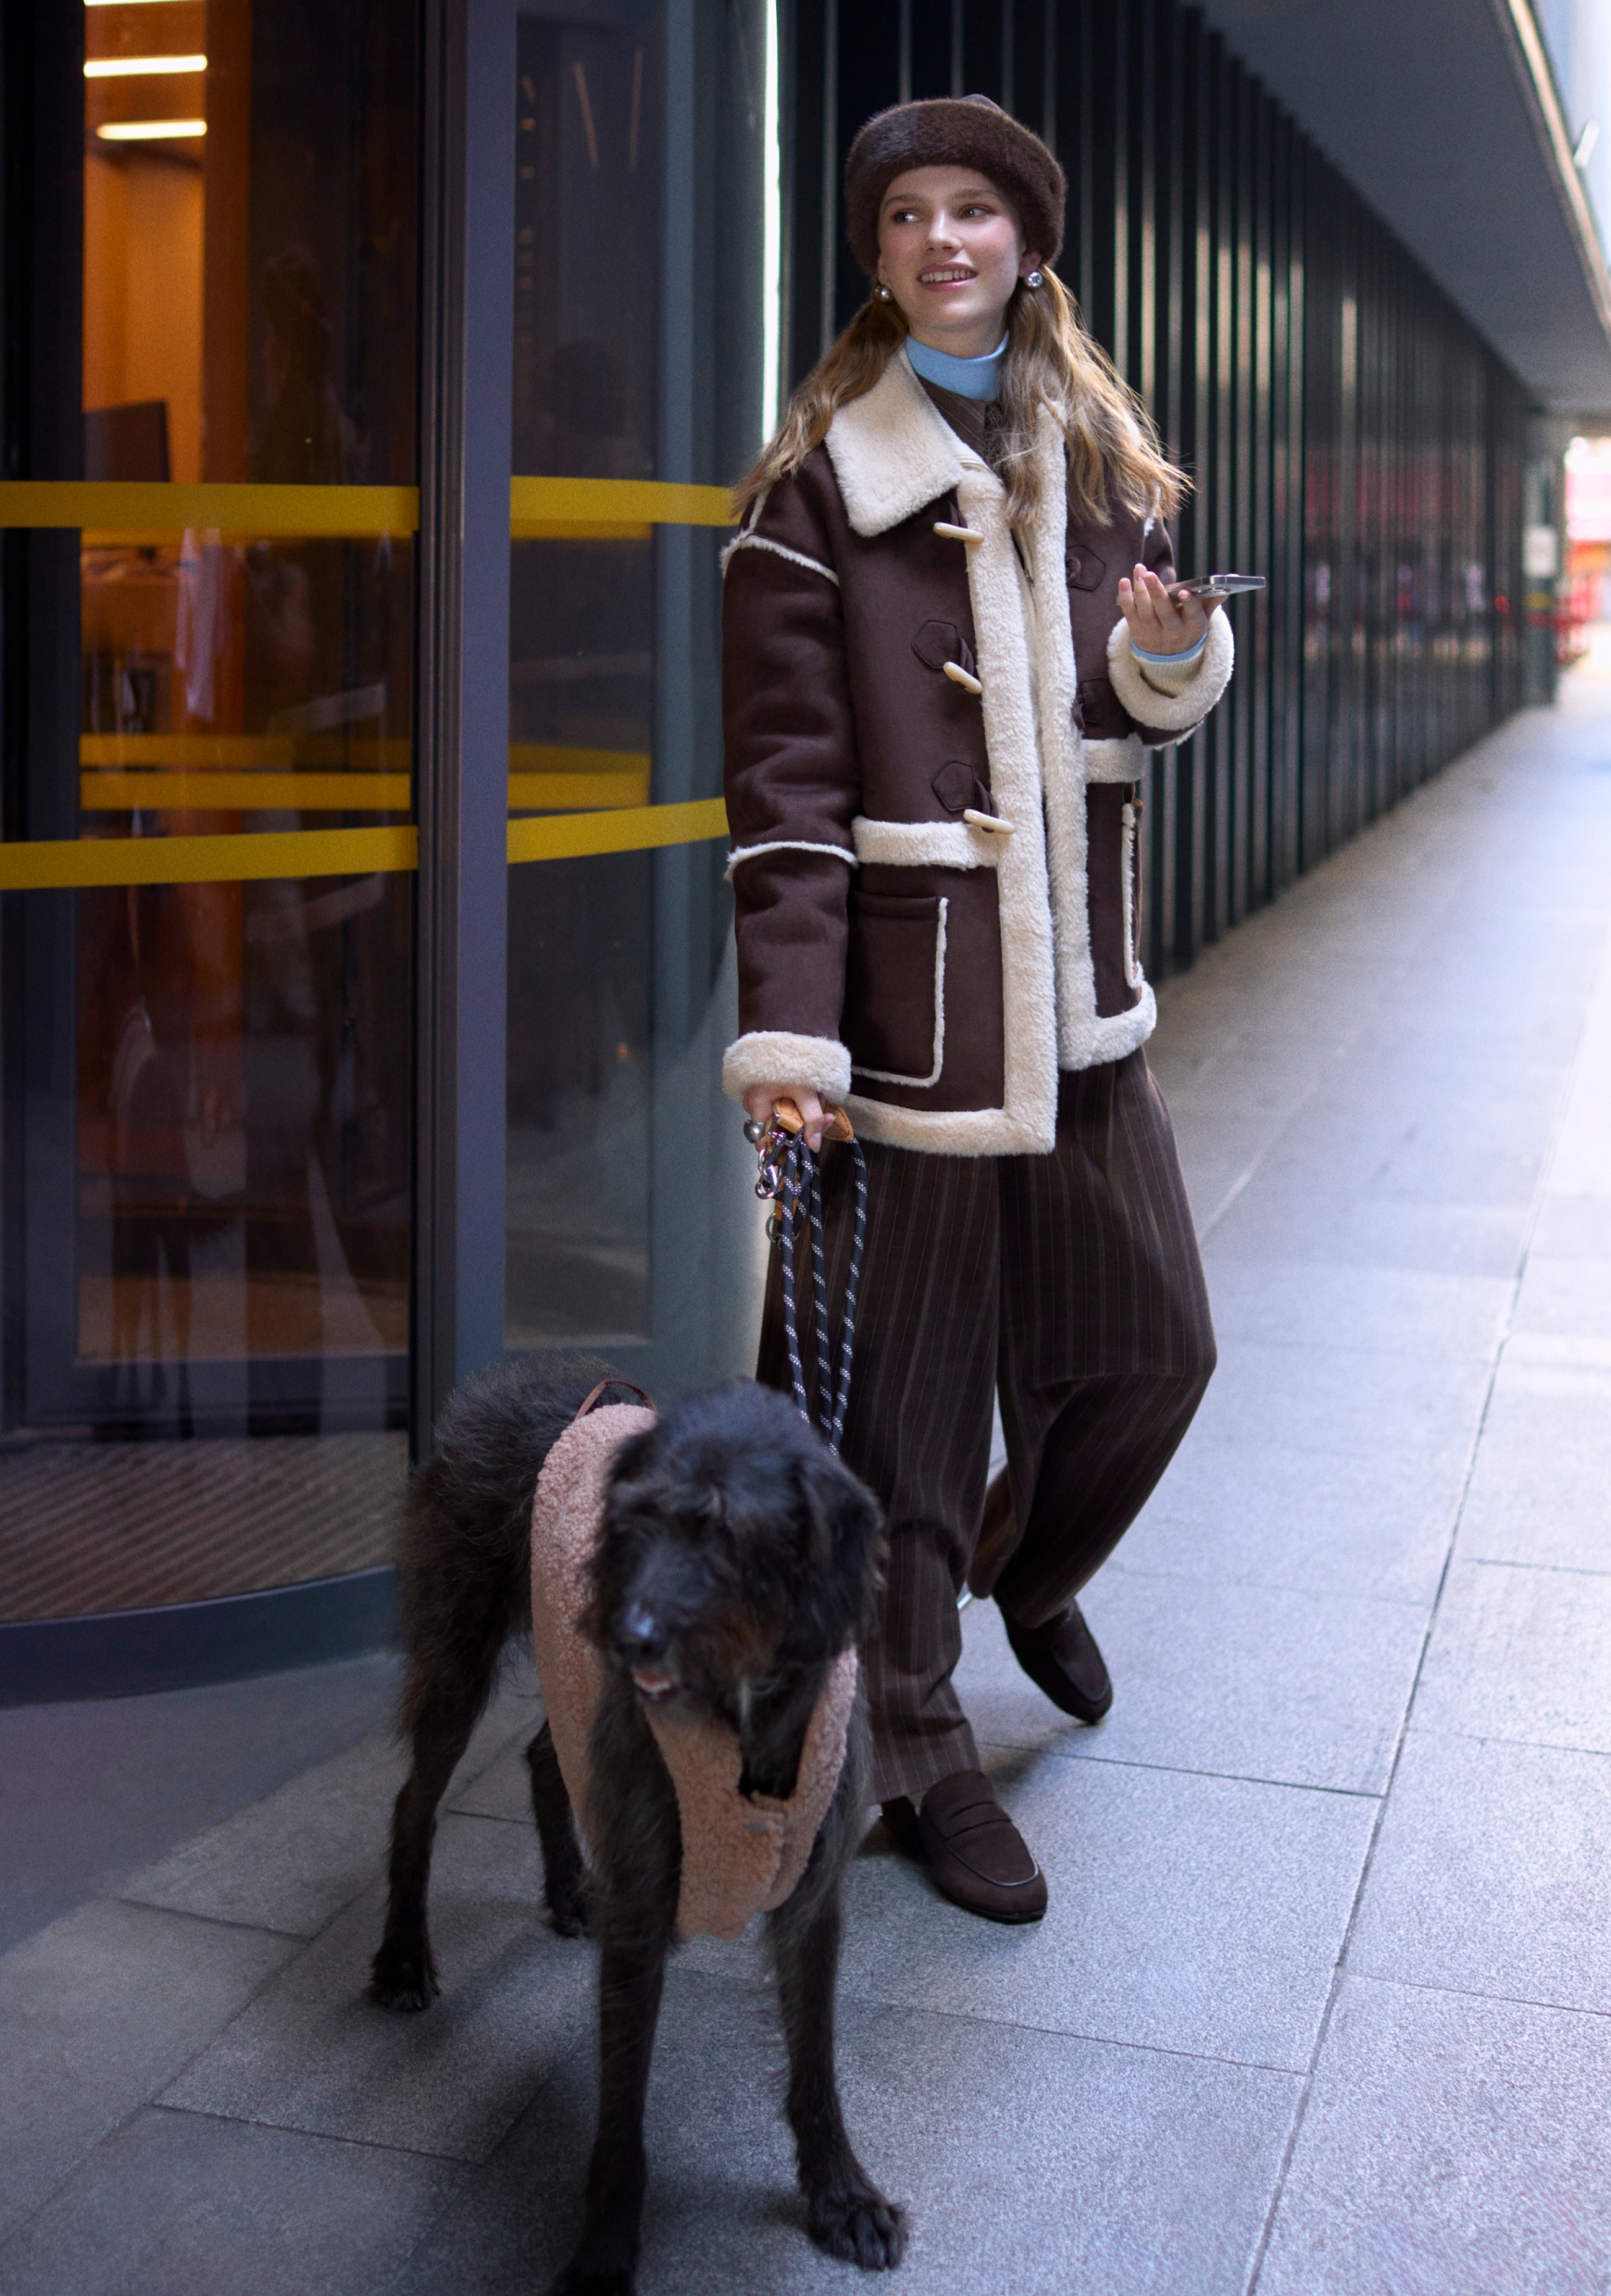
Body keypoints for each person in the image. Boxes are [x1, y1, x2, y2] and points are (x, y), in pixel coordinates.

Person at [720, 96, 1227, 1922]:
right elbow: (782, 807)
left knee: (1163, 1345)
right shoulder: (809, 504)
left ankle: (1032, 1566)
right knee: (907, 1436)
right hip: (908, 1038)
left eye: (977, 212)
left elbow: (1131, 704)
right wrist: (791, 1040)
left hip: (1082, 1007)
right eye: (911, 216)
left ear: (1029, 241)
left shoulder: (1094, 462)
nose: (946, 239)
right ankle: (922, 1752)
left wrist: (1169, 657)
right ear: (879, 258)